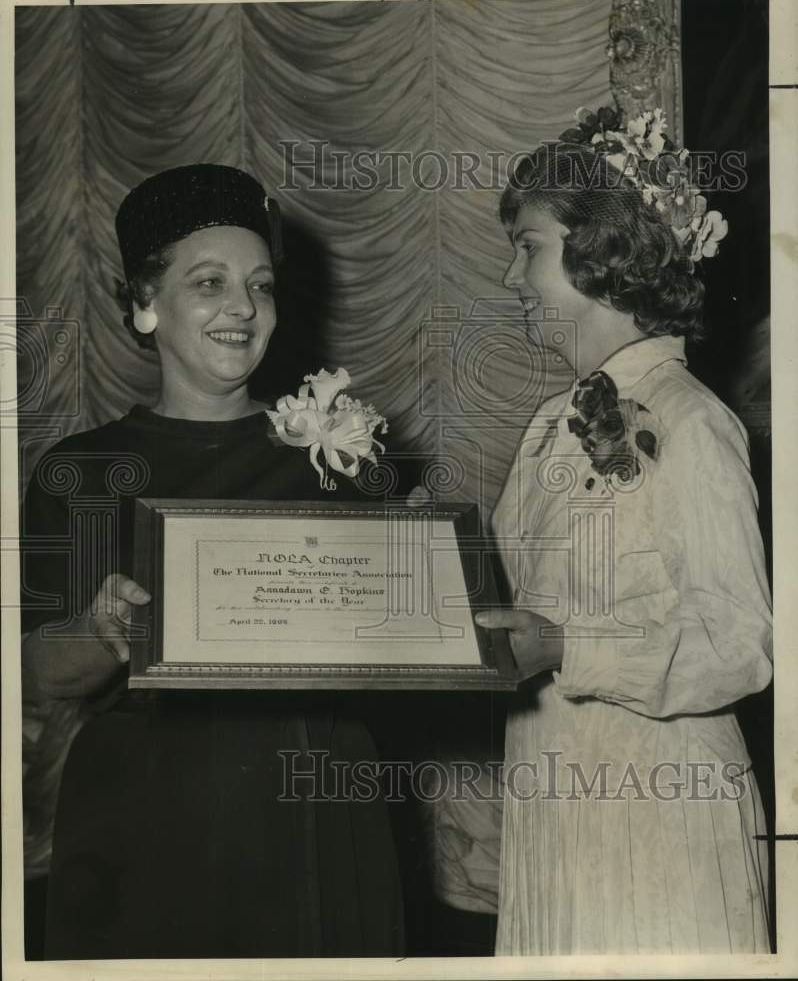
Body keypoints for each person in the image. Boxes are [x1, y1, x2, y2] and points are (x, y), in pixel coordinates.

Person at [20, 164, 404, 959]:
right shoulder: (82, 469)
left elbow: (398, 640)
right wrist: (102, 629)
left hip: (315, 807)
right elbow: (34, 670)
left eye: (260, 286)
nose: (243, 307)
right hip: (147, 820)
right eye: (210, 282)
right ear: (143, 305)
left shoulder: (337, 452)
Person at [475, 112, 773, 954]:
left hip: (658, 815)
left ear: (598, 251)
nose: (510, 276)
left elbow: (742, 642)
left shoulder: (694, 421)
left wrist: (570, 649)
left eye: (527, 246)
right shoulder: (545, 425)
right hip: (553, 808)